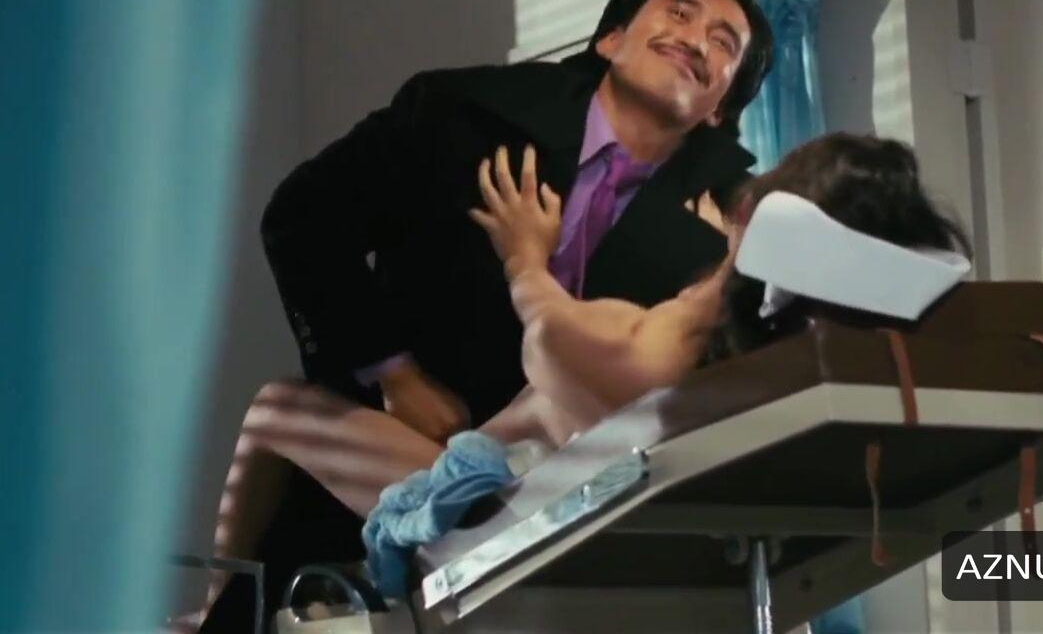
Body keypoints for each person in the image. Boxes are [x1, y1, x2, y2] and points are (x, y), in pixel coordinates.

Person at [200, 0, 773, 630]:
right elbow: (303, 219)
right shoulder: (459, 117)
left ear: (718, 108)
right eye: (679, 13)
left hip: (546, 544)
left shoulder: (712, 241)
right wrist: (393, 373)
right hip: (367, 498)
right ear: (611, 38)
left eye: (723, 42)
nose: (695, 40)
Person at [211, 130, 972, 613]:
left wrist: (524, 257)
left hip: (486, 523)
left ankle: (213, 609)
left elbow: (548, 340)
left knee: (275, 408)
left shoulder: (664, 344)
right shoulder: (783, 360)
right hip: (586, 519)